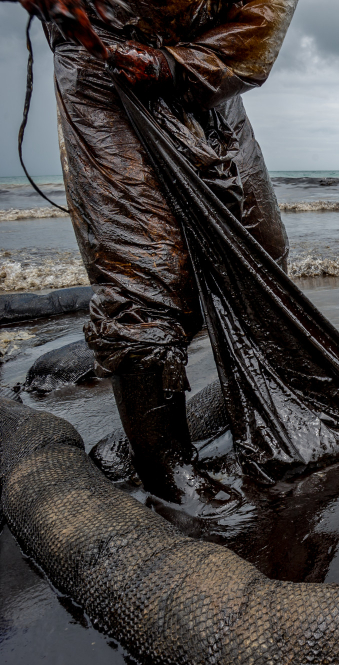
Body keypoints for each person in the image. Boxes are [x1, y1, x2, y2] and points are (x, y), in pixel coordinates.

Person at [11, 0, 298, 507]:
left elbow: (265, 13)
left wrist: (171, 65)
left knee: (260, 251)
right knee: (144, 271)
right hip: (102, 70)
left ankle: (274, 419)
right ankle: (169, 476)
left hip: (209, 75)